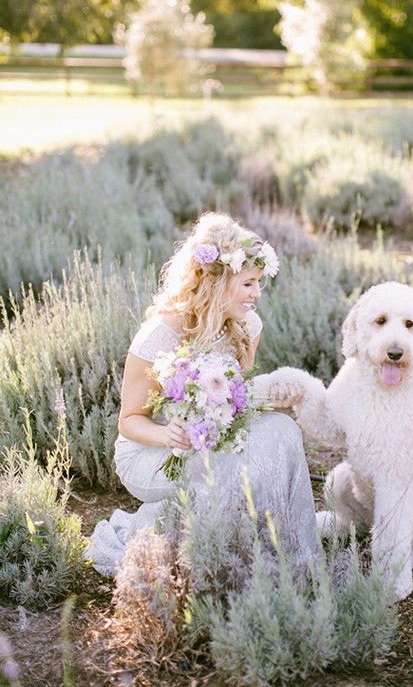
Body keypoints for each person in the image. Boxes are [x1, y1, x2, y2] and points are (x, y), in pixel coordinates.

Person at [86, 211, 318, 576]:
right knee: (226, 460)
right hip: (154, 450)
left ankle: (284, 549)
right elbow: (129, 422)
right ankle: (198, 552)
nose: (257, 294)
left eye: (259, 283)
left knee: (283, 430)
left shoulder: (247, 325)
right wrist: (169, 434)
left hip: (210, 440)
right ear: (215, 283)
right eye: (248, 284)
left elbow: (232, 406)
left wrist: (268, 397)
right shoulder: (160, 334)